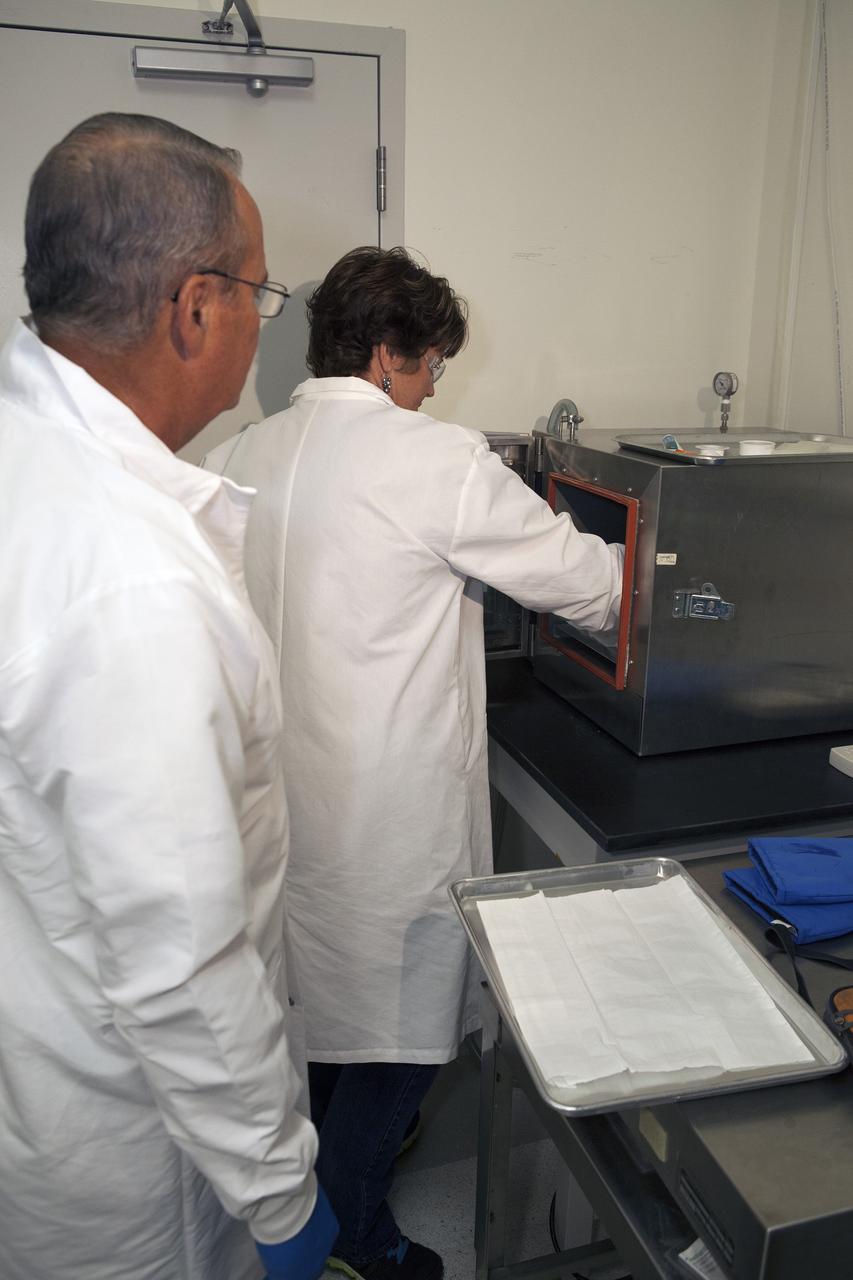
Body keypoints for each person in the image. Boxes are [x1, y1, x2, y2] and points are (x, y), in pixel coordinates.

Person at [203, 246, 624, 1280]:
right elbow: (590, 585)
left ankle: (319, 1214)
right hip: (385, 822)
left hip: (279, 815)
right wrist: (688, 563)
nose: (434, 383)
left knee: (321, 1026)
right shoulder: (429, 461)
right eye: (431, 361)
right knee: (395, 1049)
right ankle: (360, 1242)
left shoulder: (241, 453)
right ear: (389, 353)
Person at [0, 113, 337, 1280]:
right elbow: (180, 964)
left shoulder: (26, 450)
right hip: (137, 1163)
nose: (259, 317)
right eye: (259, 289)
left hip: (45, 1055)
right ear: (195, 308)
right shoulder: (131, 583)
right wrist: (283, 1197)